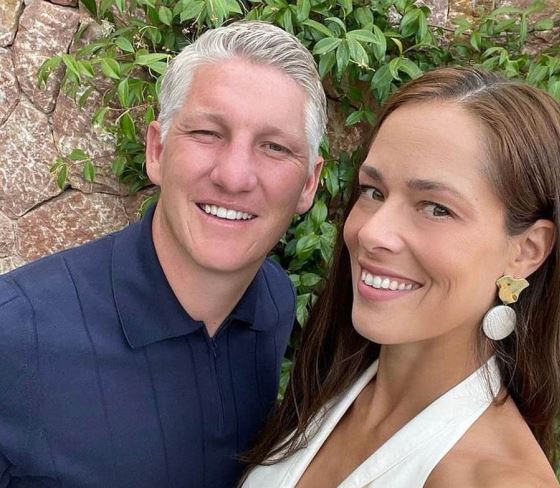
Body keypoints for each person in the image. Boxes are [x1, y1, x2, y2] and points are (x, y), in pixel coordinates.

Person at [0, 21, 326, 488]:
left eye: (274, 147)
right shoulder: (15, 332)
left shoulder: (273, 301)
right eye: (208, 133)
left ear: (309, 184)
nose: (234, 176)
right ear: (157, 150)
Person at [242, 67, 560, 487]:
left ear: (526, 251)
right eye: (374, 192)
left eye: (436, 208)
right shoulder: (327, 388)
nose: (372, 233)